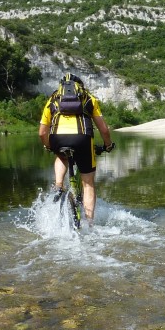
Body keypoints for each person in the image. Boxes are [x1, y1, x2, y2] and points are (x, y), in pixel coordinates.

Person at [38, 73, 114, 225]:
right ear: (80, 85)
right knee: (88, 184)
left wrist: (49, 146)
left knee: (61, 156)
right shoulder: (88, 98)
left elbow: (42, 132)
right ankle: (90, 224)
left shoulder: (53, 99)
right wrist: (108, 145)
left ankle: (59, 184)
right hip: (83, 138)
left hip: (57, 138)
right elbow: (104, 129)